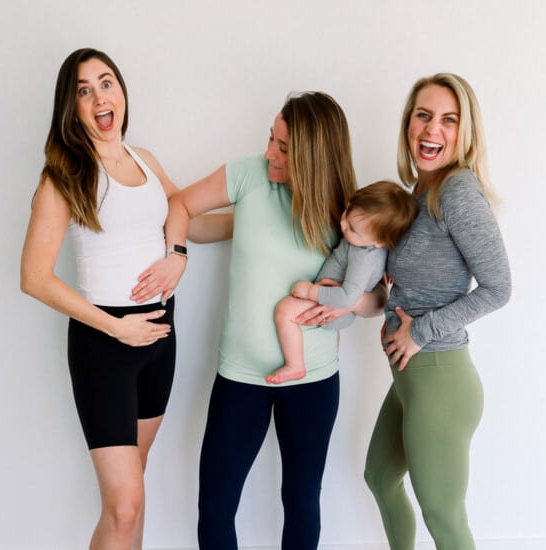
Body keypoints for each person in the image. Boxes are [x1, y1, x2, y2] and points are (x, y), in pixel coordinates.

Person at [163, 91, 388, 549]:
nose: (270, 151)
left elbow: (378, 297)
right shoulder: (248, 174)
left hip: (314, 381)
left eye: (283, 147)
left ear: (312, 154)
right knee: (216, 507)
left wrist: (346, 304)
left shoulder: (349, 210)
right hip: (240, 377)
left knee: (302, 500)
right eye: (271, 138)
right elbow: (181, 205)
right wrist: (176, 256)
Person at [20, 48, 184, 549]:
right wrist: (117, 327)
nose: (98, 97)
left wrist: (182, 251)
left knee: (131, 495)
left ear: (122, 92)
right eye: (83, 91)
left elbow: (185, 213)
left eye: (106, 82)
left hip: (159, 337)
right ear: (71, 110)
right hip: (105, 347)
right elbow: (33, 276)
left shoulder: (146, 161)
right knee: (125, 504)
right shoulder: (63, 176)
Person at [363, 73, 511, 550]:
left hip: (440, 378)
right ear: (409, 123)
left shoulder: (457, 191)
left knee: (444, 518)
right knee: (380, 479)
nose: (432, 130)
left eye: (449, 120)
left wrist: (421, 331)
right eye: (423, 116)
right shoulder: (417, 196)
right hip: (412, 378)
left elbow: (498, 288)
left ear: (464, 132)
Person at [266, 181, 417, 385]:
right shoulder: (368, 242)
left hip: (333, 303)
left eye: (352, 229)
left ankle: (295, 365)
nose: (343, 224)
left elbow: (348, 297)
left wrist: (311, 291)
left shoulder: (363, 257)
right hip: (332, 299)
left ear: (378, 241)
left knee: (284, 311)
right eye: (347, 212)